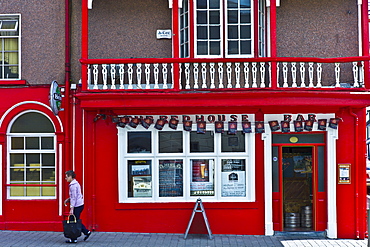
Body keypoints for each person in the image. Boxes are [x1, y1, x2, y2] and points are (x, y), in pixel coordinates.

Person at [64, 170, 92, 243]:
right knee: (76, 220)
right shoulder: (76, 183)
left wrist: (71, 208)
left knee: (74, 222)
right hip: (80, 204)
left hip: (77, 206)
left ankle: (75, 238)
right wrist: (68, 199)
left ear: (70, 176)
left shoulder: (72, 186)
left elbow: (74, 197)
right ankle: (84, 233)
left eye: (66, 177)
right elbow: (76, 196)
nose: (65, 178)